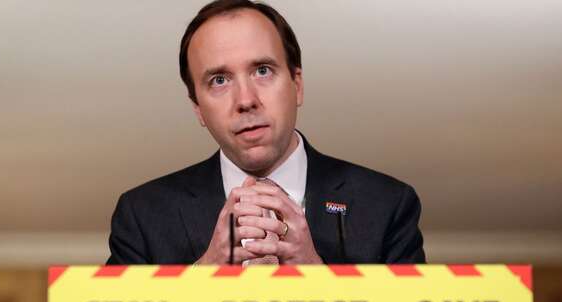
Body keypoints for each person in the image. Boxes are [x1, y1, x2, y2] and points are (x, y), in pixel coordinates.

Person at [107, 0, 425, 265]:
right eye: (219, 80)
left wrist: (320, 279)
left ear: (296, 84)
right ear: (198, 109)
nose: (246, 100)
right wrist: (201, 278)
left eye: (262, 71)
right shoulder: (141, 216)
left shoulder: (388, 205)